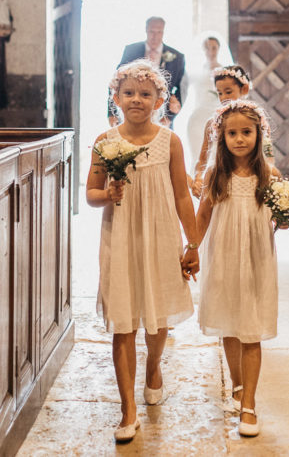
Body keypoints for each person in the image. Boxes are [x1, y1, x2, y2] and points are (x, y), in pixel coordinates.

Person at [86, 59, 202, 443]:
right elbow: (91, 193)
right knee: (123, 320)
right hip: (119, 237)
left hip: (161, 235)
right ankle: (127, 410)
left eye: (146, 94)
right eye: (129, 92)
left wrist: (194, 242)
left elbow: (183, 195)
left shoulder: (170, 142)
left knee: (158, 314)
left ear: (160, 101)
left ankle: (154, 366)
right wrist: (108, 194)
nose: (137, 99)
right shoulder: (105, 141)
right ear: (116, 97)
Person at [192, 99, 281, 438]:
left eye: (247, 132)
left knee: (252, 327)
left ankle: (250, 405)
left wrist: (283, 218)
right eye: (232, 133)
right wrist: (191, 248)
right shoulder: (217, 174)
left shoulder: (268, 174)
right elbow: (203, 216)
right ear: (222, 137)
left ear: (260, 135)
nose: (240, 139)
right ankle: (238, 384)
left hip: (257, 256)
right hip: (224, 254)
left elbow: (277, 215)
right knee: (230, 323)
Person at [108, 17, 185, 127]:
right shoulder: (131, 50)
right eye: (152, 31)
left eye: (159, 32)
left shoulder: (177, 57)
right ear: (146, 30)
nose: (155, 36)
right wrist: (111, 113)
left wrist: (170, 116)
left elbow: (180, 89)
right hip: (132, 111)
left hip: (162, 116)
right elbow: (116, 80)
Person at [189, 64, 252, 198]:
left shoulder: (256, 122)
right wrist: (199, 176)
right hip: (220, 182)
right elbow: (202, 160)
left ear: (244, 89)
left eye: (228, 92)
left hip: (249, 182)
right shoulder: (212, 123)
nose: (223, 97)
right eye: (219, 93)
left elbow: (268, 156)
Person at [181, 32, 232, 166]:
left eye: (214, 48)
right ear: (203, 50)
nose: (210, 51)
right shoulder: (196, 71)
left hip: (216, 115)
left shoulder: (225, 72)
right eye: (207, 48)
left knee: (215, 153)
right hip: (197, 116)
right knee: (197, 152)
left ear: (219, 49)